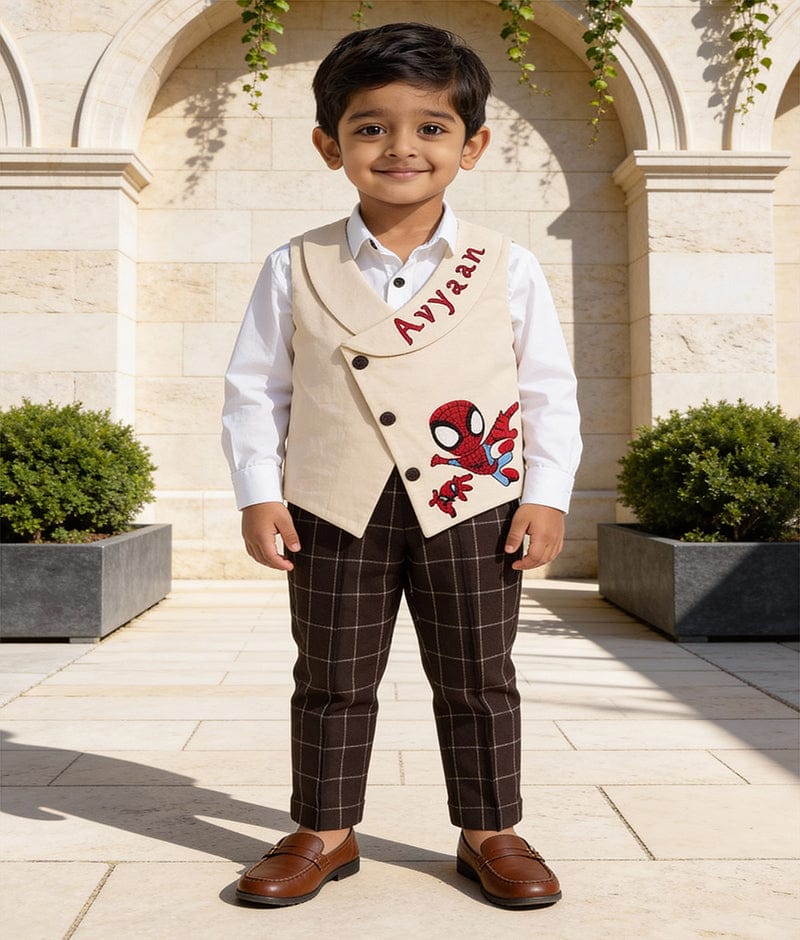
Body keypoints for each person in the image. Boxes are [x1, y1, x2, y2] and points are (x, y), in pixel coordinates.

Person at [222, 22, 581, 909]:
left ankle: (492, 828)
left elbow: (547, 391)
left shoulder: (508, 265)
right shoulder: (292, 263)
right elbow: (254, 388)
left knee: (478, 675)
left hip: (473, 501)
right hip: (334, 504)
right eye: (371, 126)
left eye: (431, 126)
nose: (401, 147)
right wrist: (258, 493)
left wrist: (549, 495)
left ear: (473, 144)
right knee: (332, 678)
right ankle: (325, 828)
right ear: (329, 145)